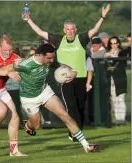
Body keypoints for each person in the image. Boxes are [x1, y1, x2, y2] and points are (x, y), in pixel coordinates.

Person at [22, 4, 110, 141]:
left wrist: (102, 16)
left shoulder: (81, 39)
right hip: (66, 80)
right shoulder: (58, 40)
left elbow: (95, 30)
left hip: (80, 78)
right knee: (71, 106)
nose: (69, 31)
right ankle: (76, 134)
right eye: (67, 29)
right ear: (64, 30)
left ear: (75, 30)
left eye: (72, 29)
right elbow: (40, 32)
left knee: (81, 107)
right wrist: (28, 20)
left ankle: (75, 131)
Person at [0, 43, 99, 153]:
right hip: (29, 98)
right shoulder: (26, 64)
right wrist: (8, 72)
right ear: (41, 55)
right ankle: (28, 125)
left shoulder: (50, 60)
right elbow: (1, 69)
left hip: (44, 91)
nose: (51, 60)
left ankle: (86, 145)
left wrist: (73, 72)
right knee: (37, 125)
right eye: (49, 58)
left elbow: (64, 66)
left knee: (64, 115)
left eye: (53, 57)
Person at [105, 36, 127, 125]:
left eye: (115, 43)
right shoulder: (107, 54)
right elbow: (106, 67)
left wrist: (112, 67)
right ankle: (116, 120)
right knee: (113, 100)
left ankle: (121, 120)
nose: (113, 45)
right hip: (111, 79)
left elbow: (122, 65)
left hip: (120, 78)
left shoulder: (122, 53)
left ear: (118, 43)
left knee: (120, 99)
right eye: (111, 43)